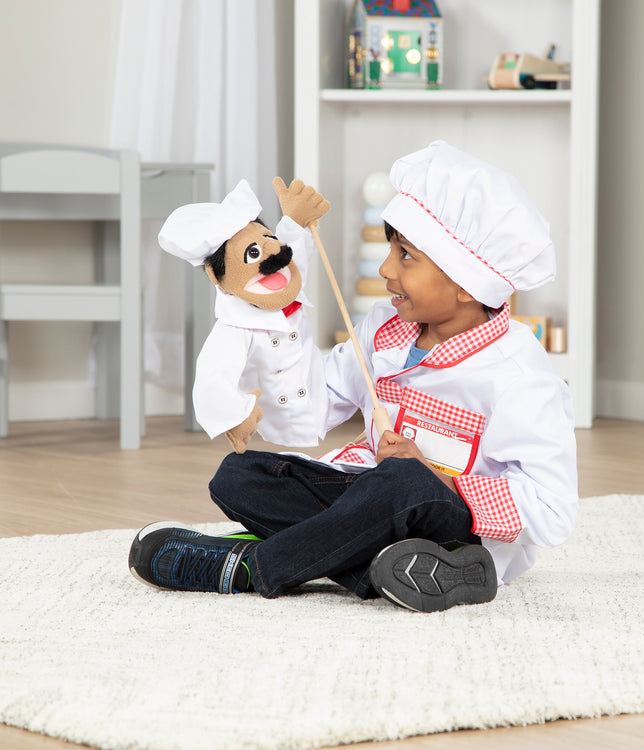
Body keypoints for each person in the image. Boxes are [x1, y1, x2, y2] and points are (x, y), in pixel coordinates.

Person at [129, 140, 578, 613]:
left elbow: (551, 510)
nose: (385, 268)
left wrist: (434, 479)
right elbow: (318, 404)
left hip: (457, 526)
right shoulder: (384, 329)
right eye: (390, 249)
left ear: (468, 281)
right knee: (239, 476)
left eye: (406, 256)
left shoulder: (517, 376)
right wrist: (271, 329)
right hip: (369, 499)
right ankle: (406, 568)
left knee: (402, 481)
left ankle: (253, 566)